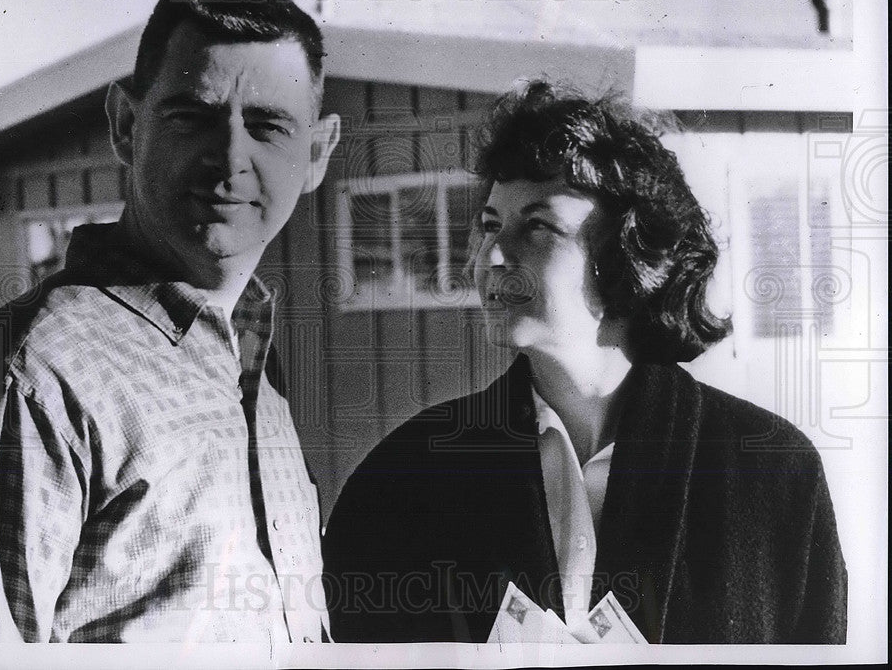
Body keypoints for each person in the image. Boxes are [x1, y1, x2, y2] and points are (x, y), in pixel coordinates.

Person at [322, 82, 847, 643]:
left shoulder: (774, 473)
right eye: (492, 225)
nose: (491, 257)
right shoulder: (401, 480)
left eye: (537, 226)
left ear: (628, 254)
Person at [0, 0, 341, 642]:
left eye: (267, 125)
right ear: (124, 125)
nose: (231, 158)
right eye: (191, 117)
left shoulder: (250, 363)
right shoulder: (31, 377)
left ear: (316, 153)